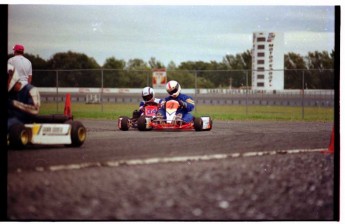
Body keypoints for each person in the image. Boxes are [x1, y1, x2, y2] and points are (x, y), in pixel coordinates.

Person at [7, 64, 40, 131]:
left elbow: (35, 110)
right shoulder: (10, 92)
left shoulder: (31, 90)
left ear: (12, 76)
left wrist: (14, 103)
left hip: (23, 122)